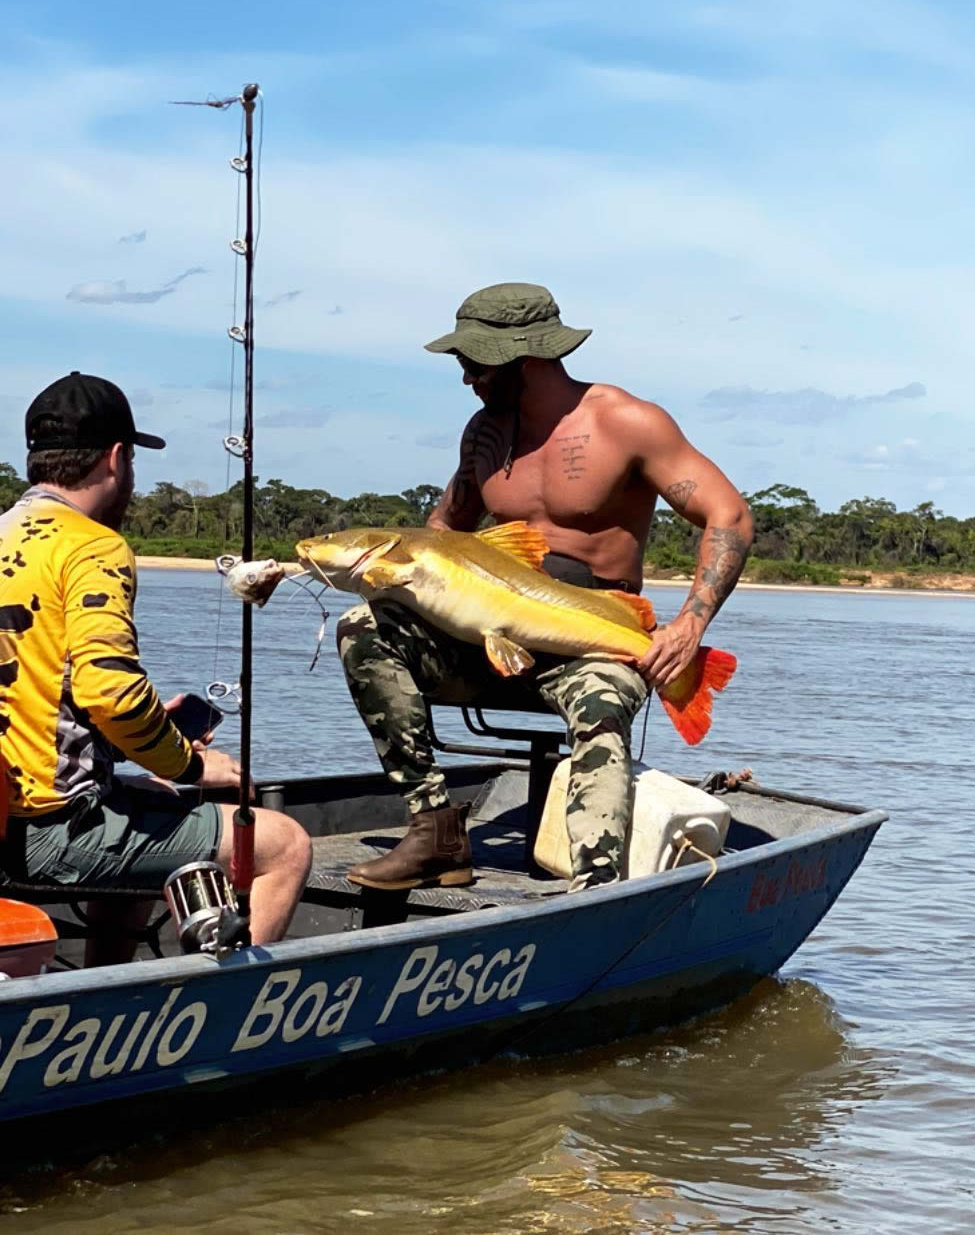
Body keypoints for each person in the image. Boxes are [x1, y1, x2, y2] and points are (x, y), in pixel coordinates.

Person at [337, 283, 753, 891]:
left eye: (474, 364)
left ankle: (597, 889)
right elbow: (442, 531)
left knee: (603, 703)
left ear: (525, 358)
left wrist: (690, 622)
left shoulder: (627, 422)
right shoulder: (483, 435)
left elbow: (729, 515)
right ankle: (435, 833)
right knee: (364, 627)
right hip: (495, 642)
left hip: (590, 646)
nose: (467, 379)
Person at [0, 373, 312, 958]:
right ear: (117, 459)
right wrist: (190, 763)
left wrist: (130, 745)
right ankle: (227, 1021)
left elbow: (28, 697)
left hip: (8, 815)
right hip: (46, 833)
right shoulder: (93, 546)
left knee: (149, 801)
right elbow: (113, 696)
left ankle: (109, 986)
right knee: (284, 846)